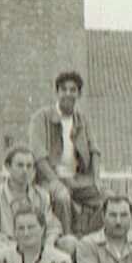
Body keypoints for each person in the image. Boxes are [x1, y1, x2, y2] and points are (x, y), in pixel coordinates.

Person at [29, 70, 103, 237]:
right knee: (62, 198)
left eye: (73, 90)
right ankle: (66, 241)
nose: (68, 94)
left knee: (108, 199)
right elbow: (39, 156)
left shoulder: (82, 120)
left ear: (79, 94)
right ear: (57, 93)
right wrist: (55, 180)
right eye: (64, 89)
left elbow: (94, 150)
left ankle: (88, 240)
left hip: (78, 179)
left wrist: (96, 178)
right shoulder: (41, 118)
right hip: (49, 179)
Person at [0, 144, 78, 256]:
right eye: (20, 165)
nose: (25, 170)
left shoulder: (41, 195)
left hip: (39, 249)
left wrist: (49, 243)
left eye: (29, 166)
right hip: (8, 249)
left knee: (70, 242)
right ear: (8, 167)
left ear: (34, 170)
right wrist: (15, 245)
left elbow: (53, 226)